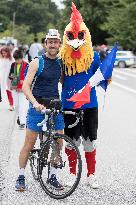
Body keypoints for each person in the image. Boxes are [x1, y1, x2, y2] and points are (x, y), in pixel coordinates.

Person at [15, 29, 65, 191]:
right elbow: (25, 86)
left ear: (59, 44)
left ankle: (52, 176)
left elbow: (65, 84)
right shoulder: (37, 62)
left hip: (55, 105)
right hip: (37, 106)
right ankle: (21, 176)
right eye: (50, 42)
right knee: (29, 143)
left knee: (59, 142)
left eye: (55, 42)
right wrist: (35, 103)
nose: (52, 45)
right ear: (45, 44)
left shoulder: (61, 63)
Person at [60, 3, 101, 188]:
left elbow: (102, 77)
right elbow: (57, 78)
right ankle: (71, 173)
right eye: (71, 36)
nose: (76, 39)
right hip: (69, 105)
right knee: (70, 142)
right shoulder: (62, 59)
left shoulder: (94, 57)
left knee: (89, 142)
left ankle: (91, 175)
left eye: (80, 35)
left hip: (90, 105)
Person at [9, 50, 29, 129]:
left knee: (22, 105)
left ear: (21, 58)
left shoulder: (26, 65)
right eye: (16, 59)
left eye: (18, 59)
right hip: (14, 88)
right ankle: (21, 117)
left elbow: (29, 76)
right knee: (16, 105)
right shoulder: (13, 65)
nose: (17, 61)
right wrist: (14, 76)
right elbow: (10, 75)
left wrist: (23, 80)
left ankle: (22, 122)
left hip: (23, 88)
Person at [0, 46, 14, 110]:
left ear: (8, 52)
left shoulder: (11, 60)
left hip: (9, 78)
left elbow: (13, 69)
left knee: (9, 91)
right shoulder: (1, 59)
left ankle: (12, 105)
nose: (3, 54)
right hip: (2, 78)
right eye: (2, 53)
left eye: (5, 53)